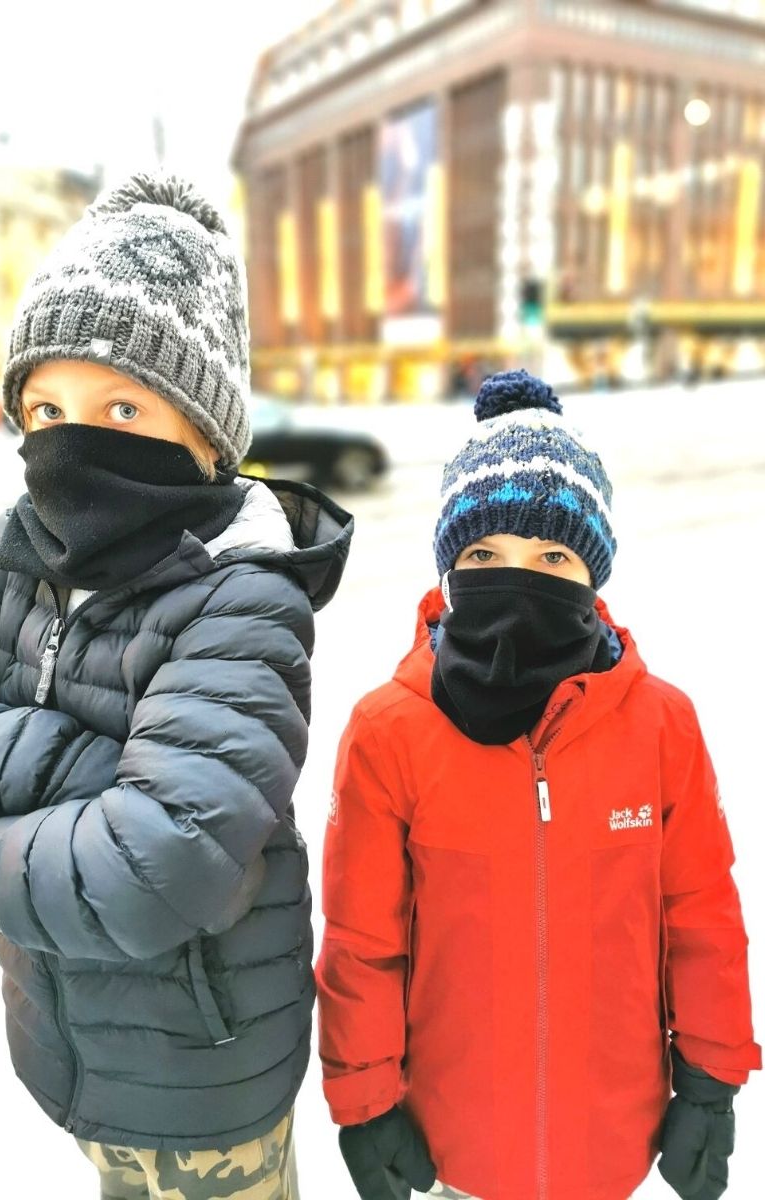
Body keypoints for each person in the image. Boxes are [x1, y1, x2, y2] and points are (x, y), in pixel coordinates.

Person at [0, 172, 352, 1200]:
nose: (69, 440)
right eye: (44, 406)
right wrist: (89, 773)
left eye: (122, 406)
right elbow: (118, 831)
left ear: (206, 435)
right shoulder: (17, 552)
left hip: (203, 1082)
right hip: (70, 1051)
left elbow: (151, 871)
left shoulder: (243, 598)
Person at [316, 370, 760, 1200]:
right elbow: (363, 943)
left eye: (553, 556)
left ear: (593, 572)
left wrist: (711, 1077)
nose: (517, 579)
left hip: (614, 1145)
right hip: (456, 1150)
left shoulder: (662, 725)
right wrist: (366, 1100)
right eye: (485, 555)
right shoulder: (389, 731)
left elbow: (700, 915)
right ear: (452, 567)